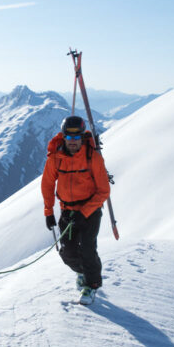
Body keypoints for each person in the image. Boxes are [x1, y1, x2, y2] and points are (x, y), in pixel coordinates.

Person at [40, 115, 111, 304]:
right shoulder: (56, 158)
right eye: (69, 138)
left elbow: (104, 191)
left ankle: (92, 284)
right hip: (68, 211)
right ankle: (82, 272)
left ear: (82, 137)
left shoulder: (92, 158)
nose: (73, 142)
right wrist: (48, 212)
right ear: (63, 137)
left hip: (90, 210)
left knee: (88, 249)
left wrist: (85, 212)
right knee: (68, 252)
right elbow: (47, 184)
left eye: (76, 137)